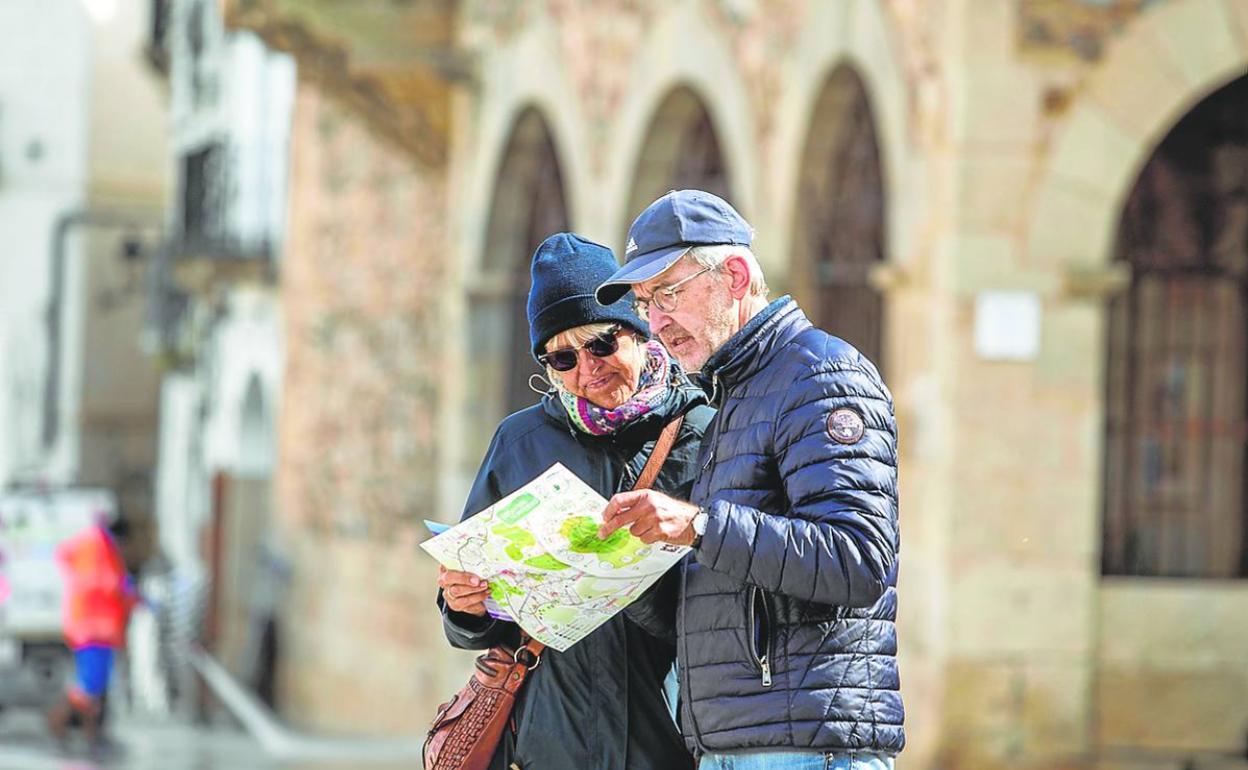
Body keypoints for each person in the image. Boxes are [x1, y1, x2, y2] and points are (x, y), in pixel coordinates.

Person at [596, 190, 903, 769]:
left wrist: (699, 526)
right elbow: (726, 600)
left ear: (735, 276)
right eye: (644, 304)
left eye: (668, 292)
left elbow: (859, 560)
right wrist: (622, 570)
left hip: (805, 748)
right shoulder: (733, 393)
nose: (656, 321)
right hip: (733, 746)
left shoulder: (821, 375)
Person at [437, 232, 713, 770]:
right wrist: (463, 607)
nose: (588, 370)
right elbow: (479, 617)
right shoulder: (519, 443)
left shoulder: (705, 432)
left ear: (635, 330)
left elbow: (728, 600)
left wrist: (626, 583)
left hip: (667, 747)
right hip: (548, 748)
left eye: (601, 344)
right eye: (562, 359)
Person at [46, 514, 139, 749]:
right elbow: (106, 584)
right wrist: (127, 591)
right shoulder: (97, 547)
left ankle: (89, 733)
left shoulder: (99, 546)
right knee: (89, 687)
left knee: (92, 686)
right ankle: (67, 726)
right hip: (94, 629)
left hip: (95, 629)